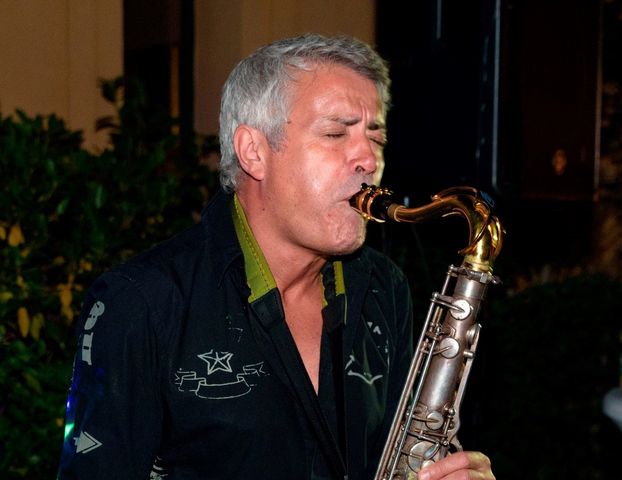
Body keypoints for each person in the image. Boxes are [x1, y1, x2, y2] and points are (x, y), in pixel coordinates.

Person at [57, 33, 494, 480]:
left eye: (375, 138)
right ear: (254, 152)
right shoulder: (141, 302)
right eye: (334, 133)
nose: (367, 159)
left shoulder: (384, 287)